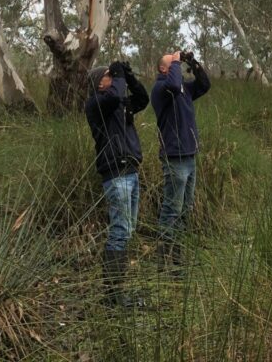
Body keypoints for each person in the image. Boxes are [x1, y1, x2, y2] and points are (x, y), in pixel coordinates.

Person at [84, 59, 149, 306]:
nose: (113, 78)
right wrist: (119, 76)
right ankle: (112, 295)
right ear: (100, 82)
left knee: (127, 230)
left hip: (131, 172)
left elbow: (142, 98)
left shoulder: (119, 104)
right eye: (109, 75)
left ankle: (115, 291)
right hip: (116, 175)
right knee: (119, 232)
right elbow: (114, 96)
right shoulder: (96, 104)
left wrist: (129, 75)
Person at [150, 50, 210, 270]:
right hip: (174, 158)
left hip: (190, 156)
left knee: (185, 209)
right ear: (163, 69)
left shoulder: (184, 88)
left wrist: (191, 62)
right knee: (171, 209)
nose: (177, 65)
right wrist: (176, 61)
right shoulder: (161, 89)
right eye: (172, 63)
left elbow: (204, 85)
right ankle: (163, 261)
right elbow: (174, 85)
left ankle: (177, 257)